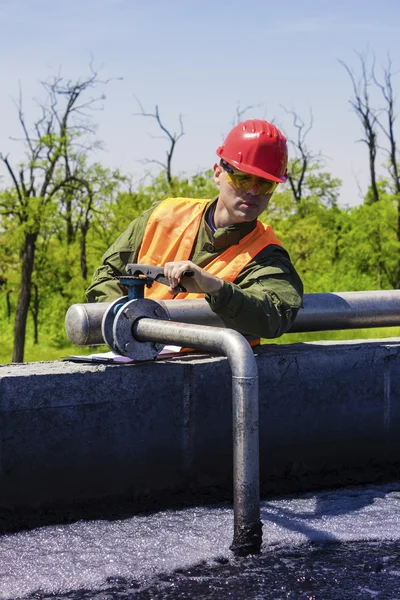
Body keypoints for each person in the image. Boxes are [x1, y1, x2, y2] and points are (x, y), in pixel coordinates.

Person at [86, 119, 303, 340]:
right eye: (243, 179)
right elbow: (107, 276)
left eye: (266, 183)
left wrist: (217, 288)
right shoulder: (163, 215)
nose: (254, 191)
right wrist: (127, 324)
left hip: (210, 367)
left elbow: (274, 316)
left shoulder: (267, 254)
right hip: (138, 356)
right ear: (218, 173)